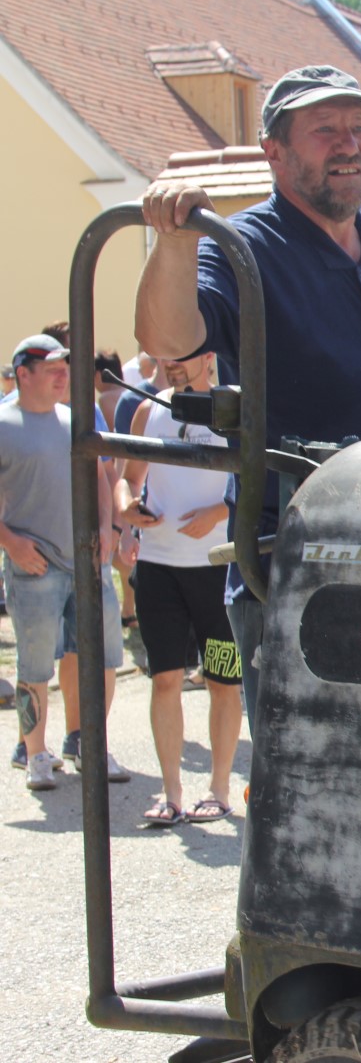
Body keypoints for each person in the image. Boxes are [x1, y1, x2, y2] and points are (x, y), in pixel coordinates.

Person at [134, 65, 361, 731]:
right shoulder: (244, 244)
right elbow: (171, 337)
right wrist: (175, 242)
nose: (349, 144)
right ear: (273, 152)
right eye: (325, 130)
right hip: (305, 557)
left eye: (360, 129)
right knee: (313, 787)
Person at [116, 351, 243, 826]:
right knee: (165, 679)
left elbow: (258, 481)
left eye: (180, 354)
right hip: (159, 566)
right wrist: (129, 510)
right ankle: (170, 794)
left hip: (217, 568)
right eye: (164, 354)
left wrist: (220, 513)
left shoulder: (232, 407)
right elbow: (128, 481)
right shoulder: (150, 407)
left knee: (222, 682)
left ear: (209, 356)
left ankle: (219, 789)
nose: (170, 362)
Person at [1, 336, 128, 789]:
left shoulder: (76, 421)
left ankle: (89, 743)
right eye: (51, 367)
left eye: (64, 366)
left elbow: (100, 476)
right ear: (23, 373)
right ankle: (35, 755)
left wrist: (106, 529)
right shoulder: (3, 424)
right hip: (34, 567)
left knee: (106, 658)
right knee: (35, 667)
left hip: (88, 565)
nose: (62, 374)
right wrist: (11, 543)